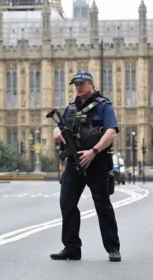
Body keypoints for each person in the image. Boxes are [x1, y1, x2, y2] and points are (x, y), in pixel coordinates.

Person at [49, 70, 122, 262]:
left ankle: (113, 248)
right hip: (74, 162)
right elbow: (61, 126)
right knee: (67, 203)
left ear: (91, 85)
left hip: (97, 161)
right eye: (76, 84)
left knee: (103, 205)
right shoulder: (71, 108)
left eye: (82, 84)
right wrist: (56, 131)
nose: (79, 87)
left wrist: (94, 152)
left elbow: (112, 132)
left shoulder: (103, 105)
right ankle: (72, 247)